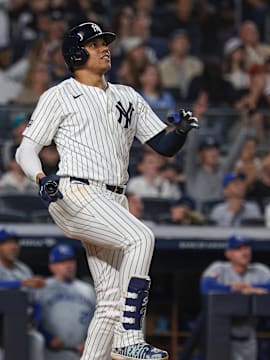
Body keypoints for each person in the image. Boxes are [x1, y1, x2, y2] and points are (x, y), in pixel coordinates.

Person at [15, 21, 199, 360]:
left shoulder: (126, 95)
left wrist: (181, 131)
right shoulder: (58, 95)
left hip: (114, 199)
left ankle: (111, 345)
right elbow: (25, 150)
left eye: (105, 42)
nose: (104, 48)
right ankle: (130, 338)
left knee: (111, 299)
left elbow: (163, 145)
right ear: (75, 52)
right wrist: (40, 177)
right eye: (95, 43)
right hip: (74, 192)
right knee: (141, 239)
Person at [200, 234, 270, 360]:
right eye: (238, 249)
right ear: (228, 254)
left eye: (246, 248)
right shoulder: (220, 268)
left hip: (249, 338)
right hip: (221, 337)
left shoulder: (259, 270)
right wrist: (231, 289)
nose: (244, 252)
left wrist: (249, 287)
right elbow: (206, 286)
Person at [37, 244, 96, 360]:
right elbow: (31, 321)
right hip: (49, 352)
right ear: (52, 266)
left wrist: (91, 342)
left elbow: (98, 320)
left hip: (81, 353)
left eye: (71, 260)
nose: (68, 265)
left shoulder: (87, 290)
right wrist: (48, 337)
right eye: (62, 262)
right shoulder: (43, 287)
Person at [0, 228, 46, 360]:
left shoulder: (24, 270)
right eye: (8, 242)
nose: (13, 247)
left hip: (19, 326)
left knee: (37, 340)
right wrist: (20, 283)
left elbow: (36, 302)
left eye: (16, 243)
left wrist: (34, 320)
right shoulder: (23, 279)